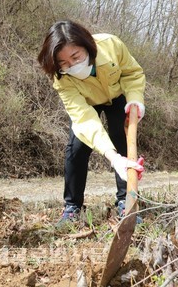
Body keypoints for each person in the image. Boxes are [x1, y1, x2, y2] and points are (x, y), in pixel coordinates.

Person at [37, 20, 146, 223]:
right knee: (77, 147)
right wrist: (112, 158)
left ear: (87, 45)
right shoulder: (61, 79)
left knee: (121, 141)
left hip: (117, 96)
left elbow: (132, 73)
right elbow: (84, 119)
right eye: (64, 64)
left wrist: (135, 99)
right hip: (87, 103)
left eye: (75, 57)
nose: (72, 66)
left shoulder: (111, 45)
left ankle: (126, 202)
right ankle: (72, 206)